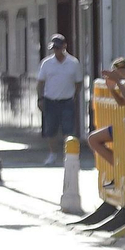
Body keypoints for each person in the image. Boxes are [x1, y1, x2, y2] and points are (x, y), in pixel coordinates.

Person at [37, 34, 83, 166]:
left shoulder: (73, 63)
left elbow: (78, 82)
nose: (56, 51)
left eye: (58, 48)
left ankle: (68, 154)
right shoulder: (47, 63)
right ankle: (52, 154)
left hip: (67, 100)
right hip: (50, 100)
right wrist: (40, 98)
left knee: (68, 129)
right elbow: (40, 82)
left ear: (64, 47)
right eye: (54, 48)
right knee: (51, 129)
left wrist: (74, 95)